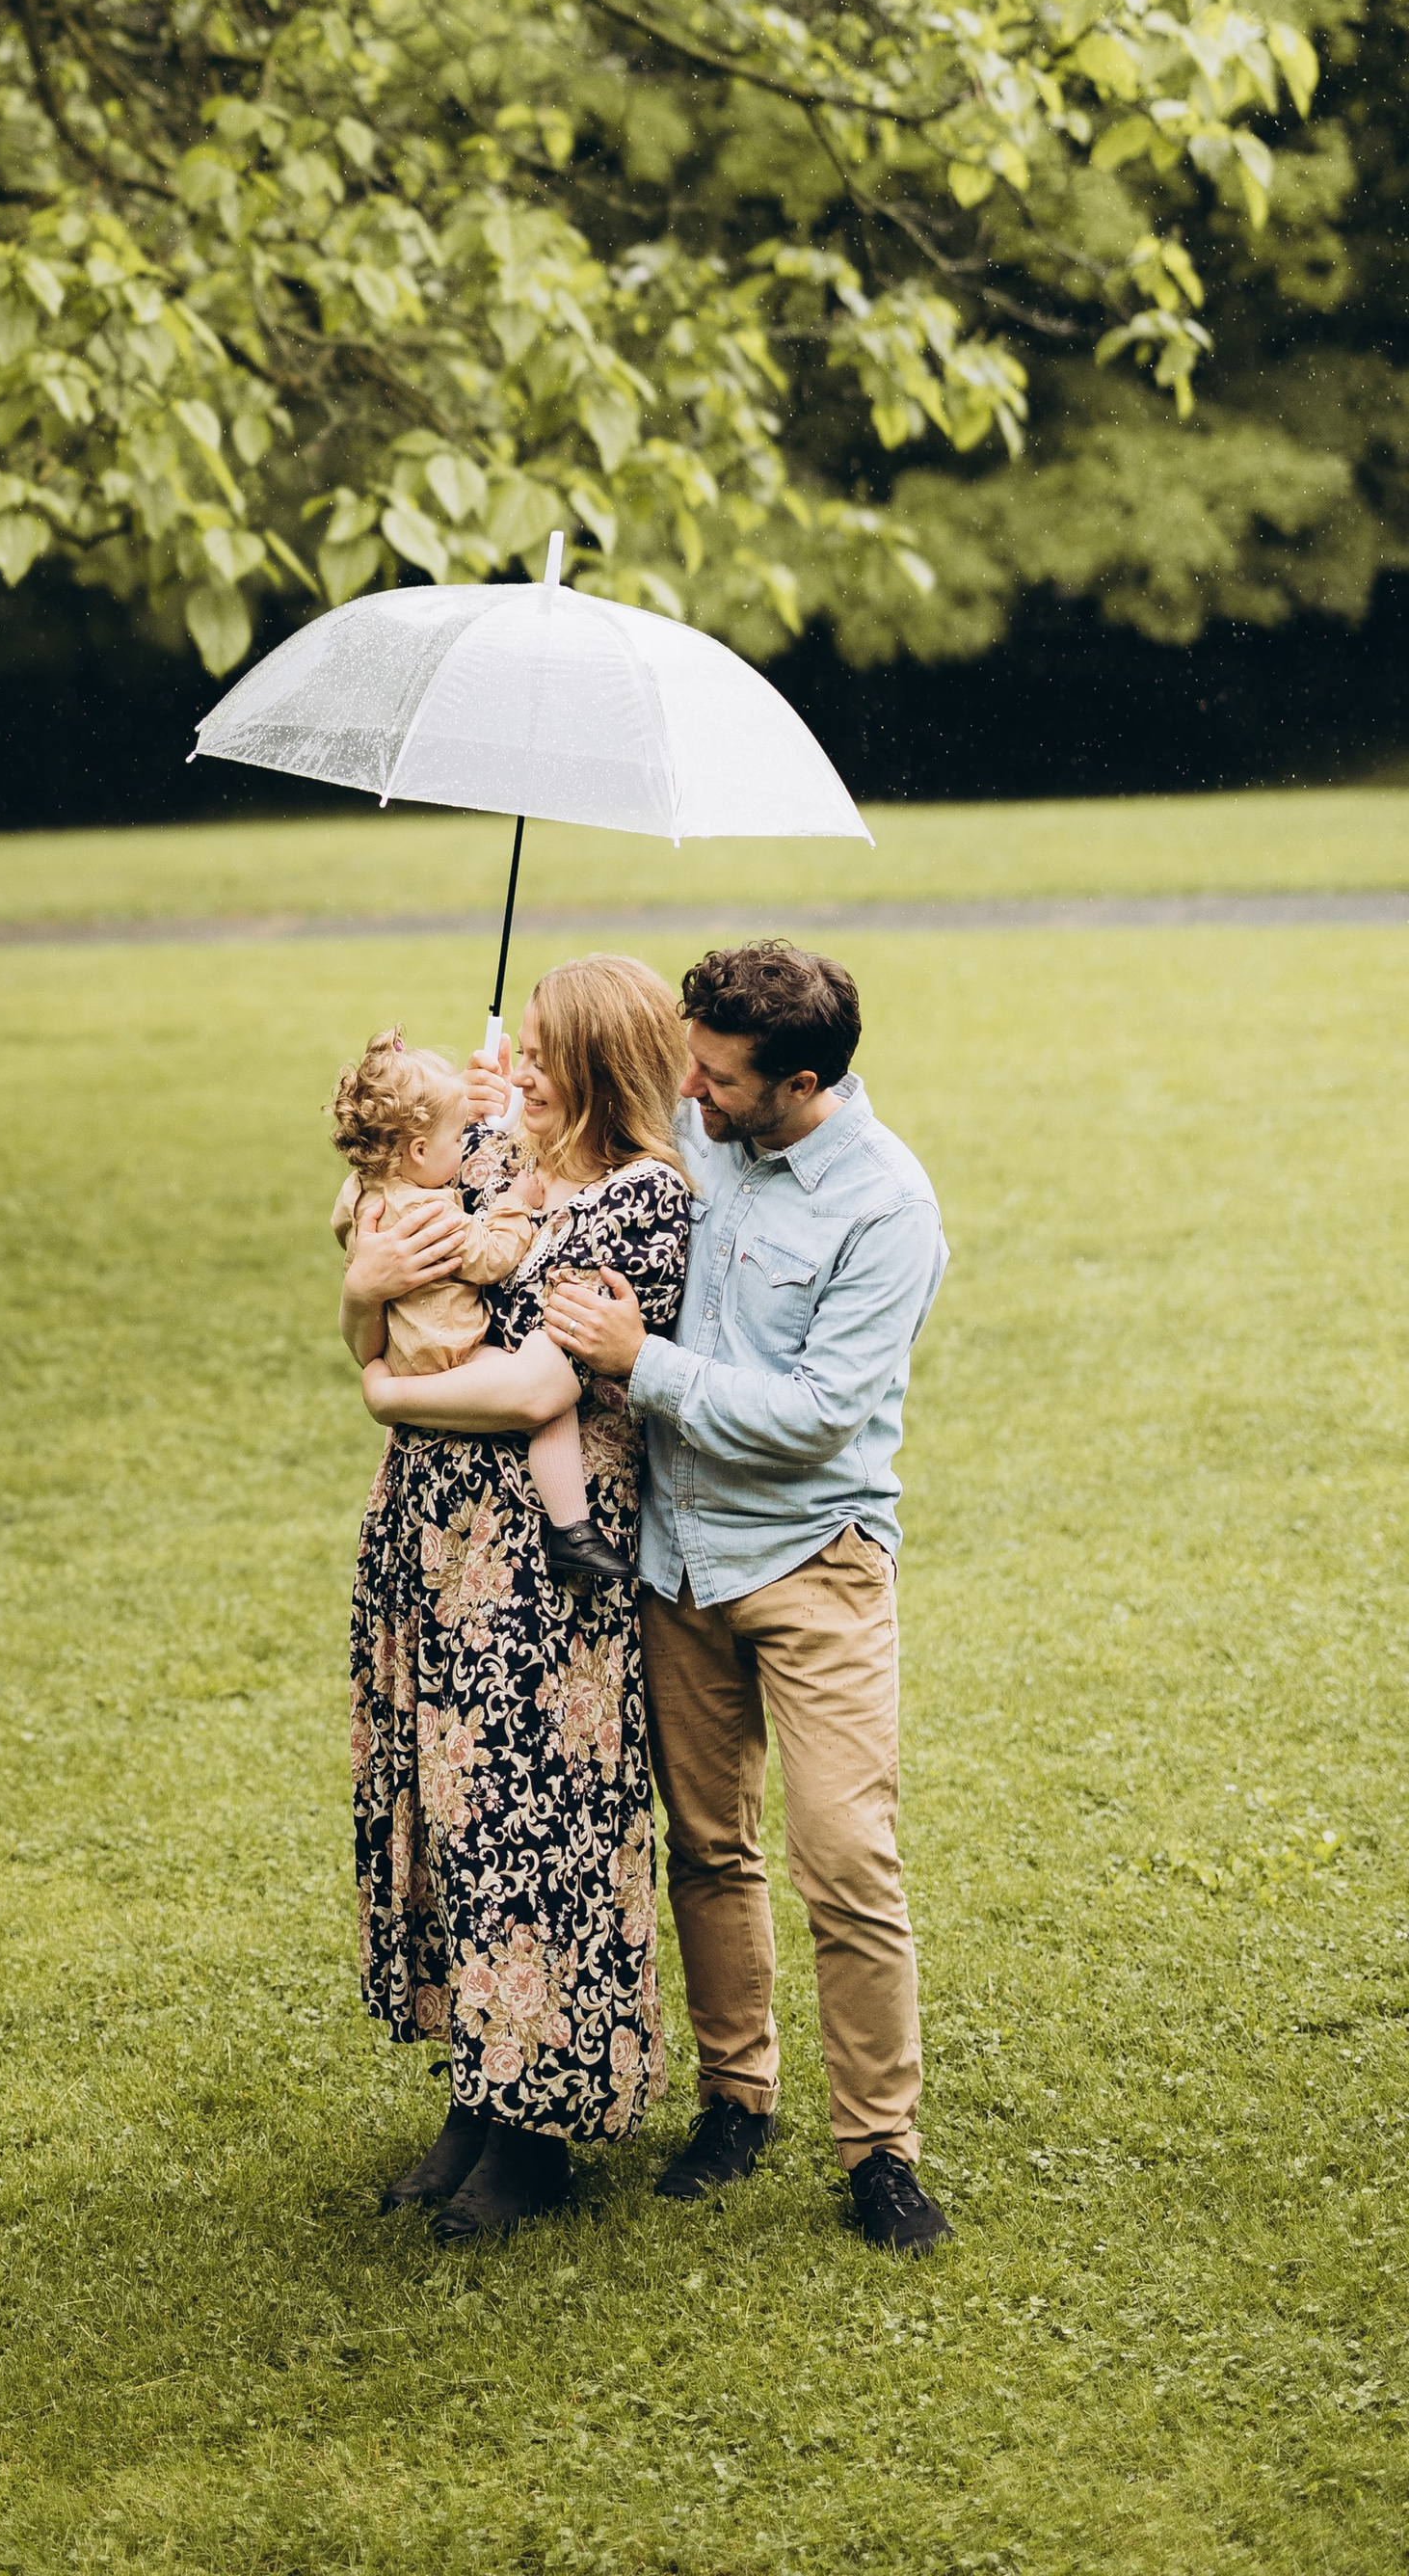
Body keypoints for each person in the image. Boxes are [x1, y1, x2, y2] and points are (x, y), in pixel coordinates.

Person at [535, 939, 955, 2257]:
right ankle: (735, 2100)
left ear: (803, 1080)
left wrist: (639, 1362)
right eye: (688, 1070)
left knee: (847, 1863)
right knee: (708, 1848)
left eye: (716, 1082)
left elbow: (827, 1417)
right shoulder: (693, 1132)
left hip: (812, 1565)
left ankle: (880, 2152)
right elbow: (580, 1128)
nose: (691, 1099)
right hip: (675, 1564)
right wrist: (506, 1087)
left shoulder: (886, 1208)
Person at [338, 954, 693, 2239]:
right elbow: (376, 1298)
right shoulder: (485, 1158)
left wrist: (385, 1393)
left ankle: (540, 2125)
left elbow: (539, 1390)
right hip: (427, 1546)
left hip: (541, 1567)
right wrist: (357, 1300)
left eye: (543, 1051)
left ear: (600, 1064)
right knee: (451, 1812)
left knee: (535, 1819)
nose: (516, 1066)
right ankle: (477, 2095)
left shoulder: (642, 1207)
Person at [328, 1029, 625, 1593]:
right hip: (449, 1352)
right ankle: (572, 1531)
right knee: (550, 1406)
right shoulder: (429, 1218)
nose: (464, 1147)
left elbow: (342, 1225)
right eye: (455, 1136)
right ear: (418, 1151)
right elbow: (490, 1257)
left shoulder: (365, 1192)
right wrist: (515, 1207)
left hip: (404, 1350)